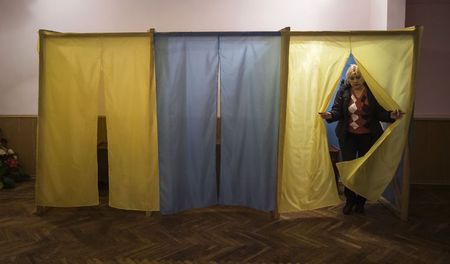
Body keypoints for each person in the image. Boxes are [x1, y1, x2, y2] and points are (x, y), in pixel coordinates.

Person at [319, 64, 404, 215]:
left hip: (368, 136)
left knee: (365, 169)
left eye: (358, 77)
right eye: (352, 78)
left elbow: (379, 113)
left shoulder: (372, 92)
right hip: (348, 137)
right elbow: (338, 111)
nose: (355, 80)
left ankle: (361, 202)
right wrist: (330, 115)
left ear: (363, 77)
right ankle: (350, 201)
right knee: (349, 169)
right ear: (349, 79)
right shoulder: (343, 91)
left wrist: (391, 115)